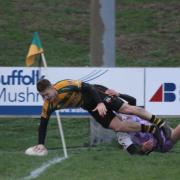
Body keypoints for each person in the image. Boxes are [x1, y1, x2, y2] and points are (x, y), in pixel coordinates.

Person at [25, 79, 169, 156]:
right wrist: (41, 143)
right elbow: (43, 124)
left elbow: (89, 87)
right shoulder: (48, 105)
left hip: (96, 93)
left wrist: (100, 102)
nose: (45, 97)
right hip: (89, 106)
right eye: (42, 96)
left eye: (46, 94)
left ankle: (159, 122)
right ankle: (151, 128)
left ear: (51, 87)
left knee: (126, 108)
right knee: (119, 126)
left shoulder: (65, 85)